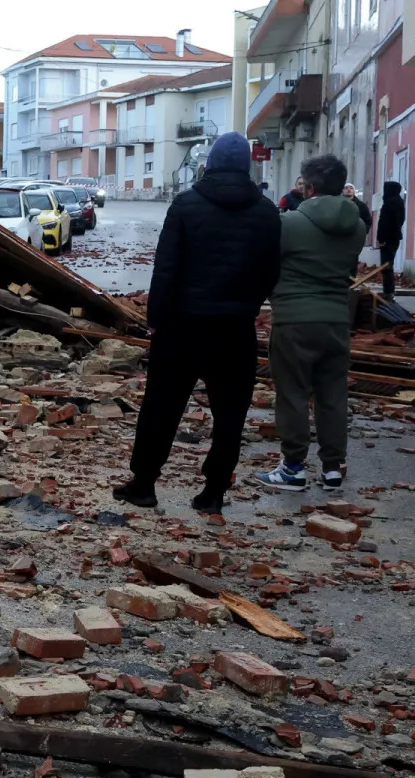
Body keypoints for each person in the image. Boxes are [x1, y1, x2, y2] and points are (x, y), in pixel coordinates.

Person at [114, 132, 280, 514]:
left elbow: (166, 268)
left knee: (161, 407)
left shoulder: (186, 205)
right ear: (247, 168)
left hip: (181, 327)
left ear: (209, 164)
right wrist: (248, 305)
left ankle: (144, 484)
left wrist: (156, 320)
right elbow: (270, 271)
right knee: (230, 415)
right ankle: (214, 492)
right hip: (235, 329)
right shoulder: (268, 212)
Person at [256, 154, 368, 493]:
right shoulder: (358, 227)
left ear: (311, 187)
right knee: (333, 395)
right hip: (336, 319)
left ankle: (293, 468)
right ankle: (332, 468)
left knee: (292, 394)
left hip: (294, 320)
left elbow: (268, 265)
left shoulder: (287, 224)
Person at [379, 181, 405, 299]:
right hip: (393, 238)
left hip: (388, 238)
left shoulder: (390, 203)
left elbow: (385, 223)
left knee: (386, 265)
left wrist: (382, 238)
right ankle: (388, 291)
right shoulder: (398, 202)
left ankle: (388, 291)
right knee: (387, 264)